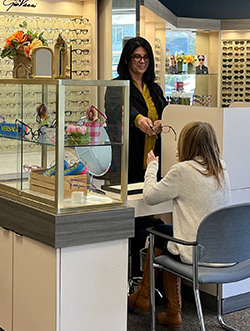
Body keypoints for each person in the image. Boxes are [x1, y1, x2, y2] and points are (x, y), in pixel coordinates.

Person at [128, 121, 231, 330]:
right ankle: (158, 305)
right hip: (221, 249)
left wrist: (152, 167)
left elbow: (149, 196)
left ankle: (149, 299)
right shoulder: (221, 168)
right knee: (163, 237)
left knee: (156, 235)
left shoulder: (183, 170)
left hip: (194, 249)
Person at [105, 36, 168, 278]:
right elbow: (116, 111)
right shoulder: (116, 86)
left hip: (152, 163)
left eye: (145, 57)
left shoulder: (155, 88)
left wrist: (162, 120)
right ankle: (125, 275)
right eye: (137, 57)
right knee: (127, 220)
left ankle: (144, 279)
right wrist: (138, 119)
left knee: (148, 217)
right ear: (128, 59)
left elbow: (164, 110)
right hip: (127, 162)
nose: (142, 62)